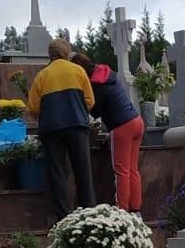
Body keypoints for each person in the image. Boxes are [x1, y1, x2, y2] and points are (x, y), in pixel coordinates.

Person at [25, 38, 96, 218]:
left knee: (57, 174)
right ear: (66, 53)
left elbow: (32, 107)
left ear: (50, 56)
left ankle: (63, 217)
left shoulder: (42, 75)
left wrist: (44, 116)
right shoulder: (78, 70)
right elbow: (90, 101)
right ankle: (88, 213)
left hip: (51, 129)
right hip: (77, 126)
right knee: (83, 171)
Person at [71, 50, 143, 212]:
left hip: (121, 126)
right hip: (136, 121)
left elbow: (95, 111)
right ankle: (136, 209)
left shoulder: (95, 84)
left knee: (121, 171)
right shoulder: (106, 73)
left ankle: (123, 211)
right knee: (132, 169)